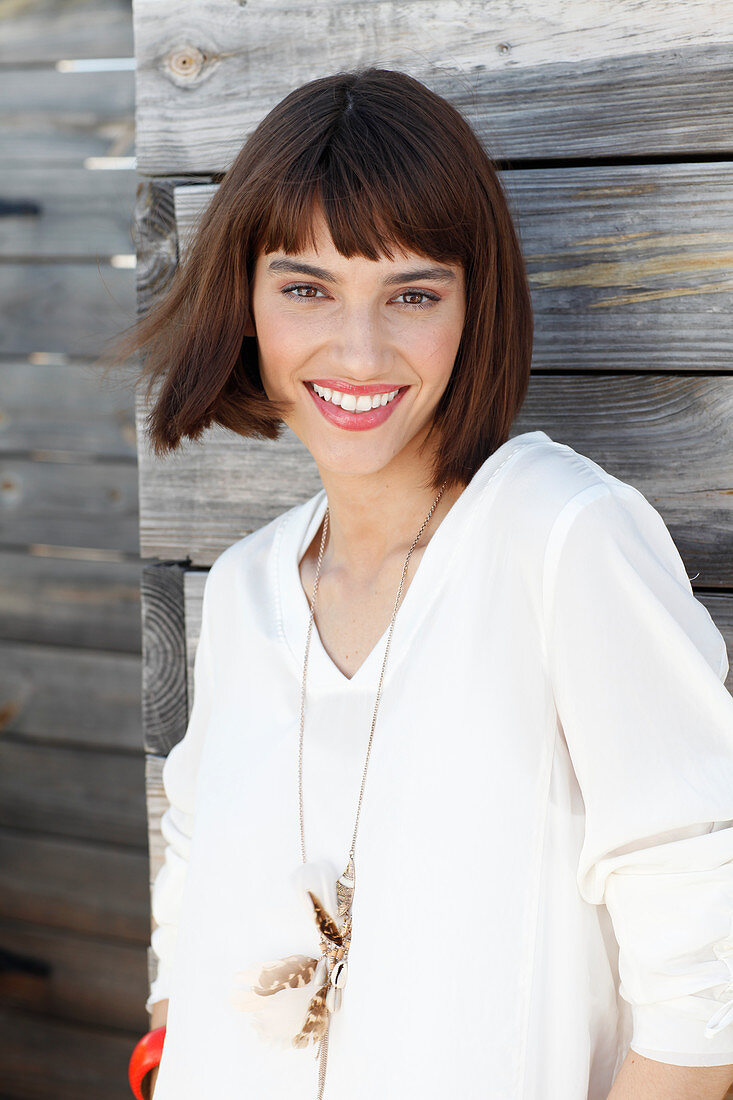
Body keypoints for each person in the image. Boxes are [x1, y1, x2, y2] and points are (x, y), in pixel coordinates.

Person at [110, 68, 733, 1099]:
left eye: (411, 293)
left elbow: (708, 942)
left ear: (472, 304)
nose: (358, 349)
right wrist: (170, 1050)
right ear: (248, 300)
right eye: (306, 287)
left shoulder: (561, 535)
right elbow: (192, 865)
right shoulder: (247, 583)